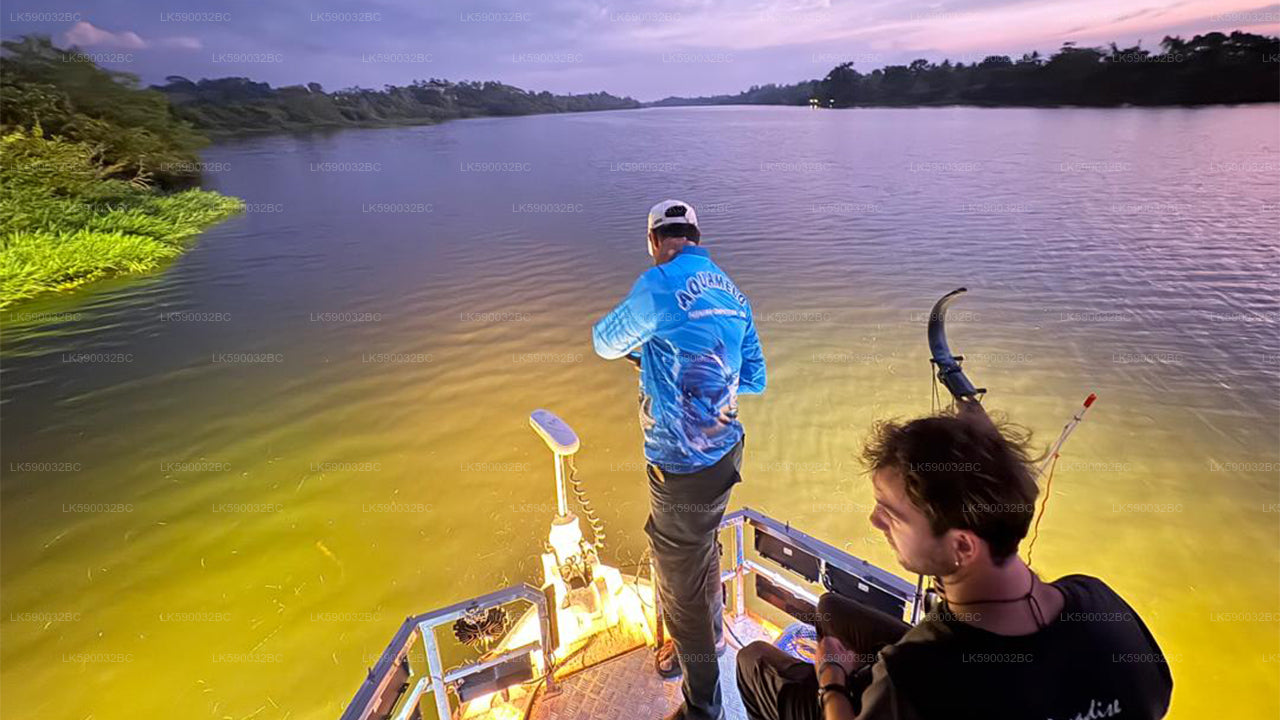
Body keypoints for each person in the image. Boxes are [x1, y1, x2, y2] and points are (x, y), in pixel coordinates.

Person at [736, 401, 1174, 720]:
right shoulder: (1098, 601)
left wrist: (832, 677)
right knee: (830, 609)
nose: (874, 520)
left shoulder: (913, 678)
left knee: (754, 661)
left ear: (963, 547)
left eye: (890, 513)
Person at [592, 200, 767, 720]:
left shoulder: (658, 284)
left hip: (681, 468)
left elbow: (603, 342)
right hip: (725, 454)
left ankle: (702, 706)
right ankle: (713, 640)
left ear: (654, 242)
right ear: (696, 236)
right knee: (700, 553)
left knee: (679, 589)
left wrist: (653, 349)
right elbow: (754, 378)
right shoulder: (734, 293)